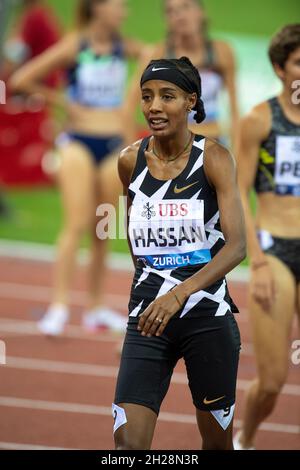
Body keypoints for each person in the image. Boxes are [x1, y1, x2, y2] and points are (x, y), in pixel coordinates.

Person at [112, 56, 246, 450]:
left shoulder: (215, 159)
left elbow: (237, 247)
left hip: (206, 316)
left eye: (167, 96)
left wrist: (178, 293)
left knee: (216, 446)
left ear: (190, 101)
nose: (154, 106)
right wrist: (154, 292)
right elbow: (135, 239)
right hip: (148, 318)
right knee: (128, 447)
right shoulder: (129, 161)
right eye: (147, 96)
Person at [9, 0, 151, 335]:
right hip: (77, 142)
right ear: (97, 7)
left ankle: (96, 307)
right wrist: (64, 103)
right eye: (118, 5)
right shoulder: (76, 45)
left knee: (105, 228)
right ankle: (58, 306)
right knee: (76, 223)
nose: (125, 11)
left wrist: (129, 102)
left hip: (113, 145)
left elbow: (153, 54)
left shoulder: (124, 47)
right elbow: (20, 80)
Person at [234, 24, 300, 450]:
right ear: (280, 68)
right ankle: (245, 438)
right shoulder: (260, 119)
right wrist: (255, 261)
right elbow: (237, 191)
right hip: (275, 249)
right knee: (274, 381)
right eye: (299, 63)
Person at [126, 0, 239, 149]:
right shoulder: (156, 54)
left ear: (201, 12)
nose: (179, 16)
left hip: (212, 139)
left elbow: (234, 110)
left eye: (186, 7)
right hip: (169, 144)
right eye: (171, 11)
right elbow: (128, 108)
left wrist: (237, 151)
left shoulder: (221, 52)